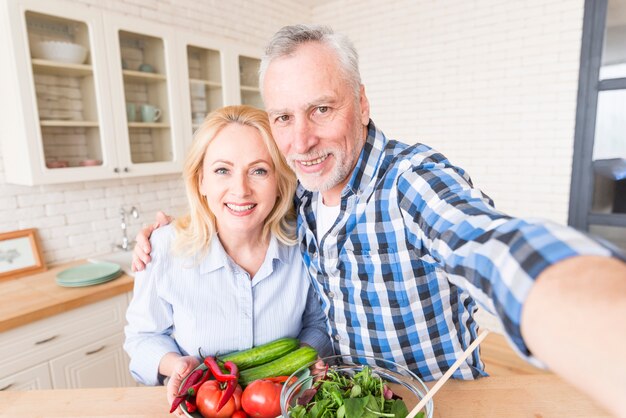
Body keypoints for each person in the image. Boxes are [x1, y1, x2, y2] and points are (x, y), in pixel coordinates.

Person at [133, 26, 626, 417]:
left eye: (321, 109)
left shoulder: (412, 182)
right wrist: (167, 233)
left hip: (435, 404)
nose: (301, 141)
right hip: (349, 405)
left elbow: (490, 243)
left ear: (362, 105)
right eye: (283, 117)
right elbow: (236, 207)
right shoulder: (300, 203)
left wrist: (591, 318)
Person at [123, 105, 332, 416]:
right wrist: (174, 365)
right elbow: (141, 339)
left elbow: (318, 324)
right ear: (201, 181)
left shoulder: (304, 243)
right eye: (223, 170)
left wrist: (295, 365)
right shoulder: (163, 247)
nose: (241, 190)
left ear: (279, 182)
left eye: (259, 170)